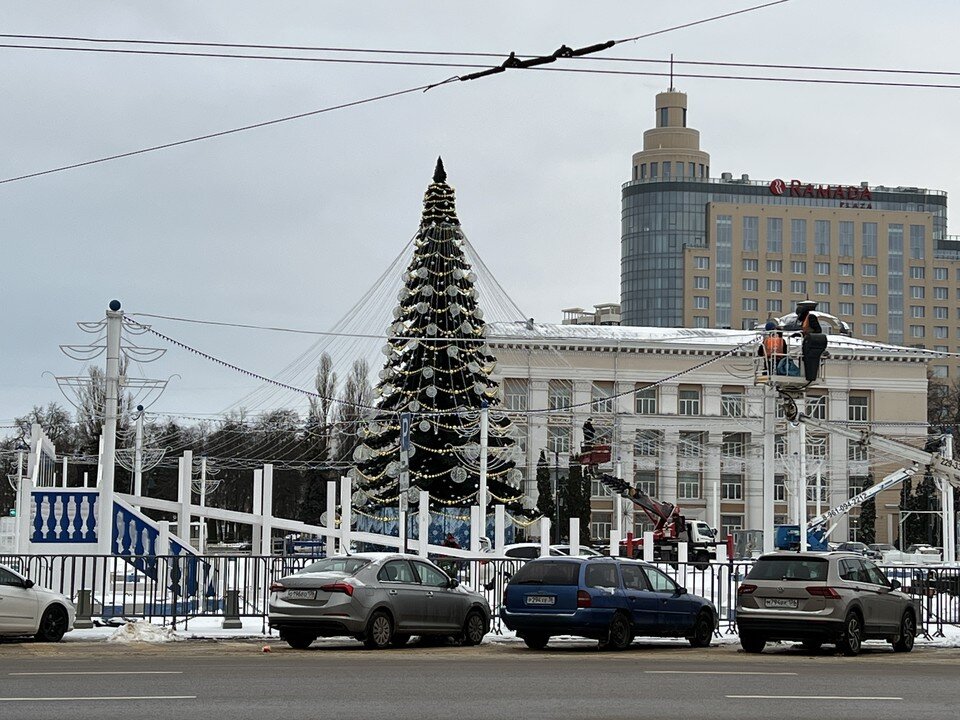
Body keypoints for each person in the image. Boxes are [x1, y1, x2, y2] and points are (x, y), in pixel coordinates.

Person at [796, 304, 827, 382]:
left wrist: (810, 336)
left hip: (811, 343)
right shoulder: (805, 320)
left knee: (810, 361)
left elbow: (818, 330)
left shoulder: (811, 317)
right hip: (807, 343)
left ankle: (810, 375)